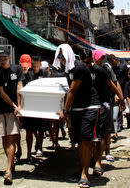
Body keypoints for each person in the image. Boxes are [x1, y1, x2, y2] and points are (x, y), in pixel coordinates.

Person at [55, 44, 94, 188]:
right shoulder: (68, 70)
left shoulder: (79, 67)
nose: (60, 59)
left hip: (87, 109)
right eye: (58, 57)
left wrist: (64, 111)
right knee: (79, 142)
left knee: (85, 141)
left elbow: (72, 91)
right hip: (76, 110)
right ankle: (81, 171)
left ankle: (85, 174)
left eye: (62, 56)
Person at [0, 48, 23, 185]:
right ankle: (11, 163)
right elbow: (1, 93)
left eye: (4, 58)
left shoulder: (17, 69)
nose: (2, 61)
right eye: (0, 59)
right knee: (4, 139)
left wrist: (19, 105)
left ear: (9, 58)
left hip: (12, 111)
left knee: (11, 138)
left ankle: (8, 170)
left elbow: (19, 87)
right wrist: (14, 105)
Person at [92, 49, 124, 161]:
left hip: (106, 102)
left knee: (107, 129)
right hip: (94, 103)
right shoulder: (90, 69)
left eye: (102, 58)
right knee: (96, 131)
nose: (100, 60)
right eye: (99, 58)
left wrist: (120, 98)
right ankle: (95, 155)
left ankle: (108, 151)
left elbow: (114, 83)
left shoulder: (106, 69)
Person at [108, 54, 130, 130]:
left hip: (125, 88)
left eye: (112, 60)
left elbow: (127, 79)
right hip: (117, 90)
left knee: (127, 105)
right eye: (110, 61)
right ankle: (119, 124)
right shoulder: (111, 69)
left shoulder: (123, 67)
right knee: (118, 106)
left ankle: (129, 123)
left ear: (115, 59)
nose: (112, 62)